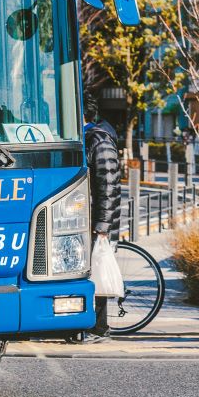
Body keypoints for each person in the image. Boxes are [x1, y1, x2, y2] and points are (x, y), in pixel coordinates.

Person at [79, 97, 122, 341]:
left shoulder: (99, 140)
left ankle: (99, 326)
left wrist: (102, 226)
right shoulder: (88, 138)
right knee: (90, 270)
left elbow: (108, 185)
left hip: (98, 221)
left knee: (98, 271)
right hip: (89, 218)